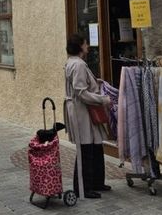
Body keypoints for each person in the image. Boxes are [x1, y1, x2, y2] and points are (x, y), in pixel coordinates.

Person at [64, 34, 111, 199]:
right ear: (79, 46)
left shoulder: (73, 62)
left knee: (96, 145)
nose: (87, 46)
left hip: (84, 110)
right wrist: (103, 99)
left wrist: (95, 82)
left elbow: (81, 85)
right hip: (82, 111)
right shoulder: (78, 65)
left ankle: (97, 182)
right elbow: (81, 92)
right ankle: (83, 188)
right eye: (85, 44)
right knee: (85, 148)